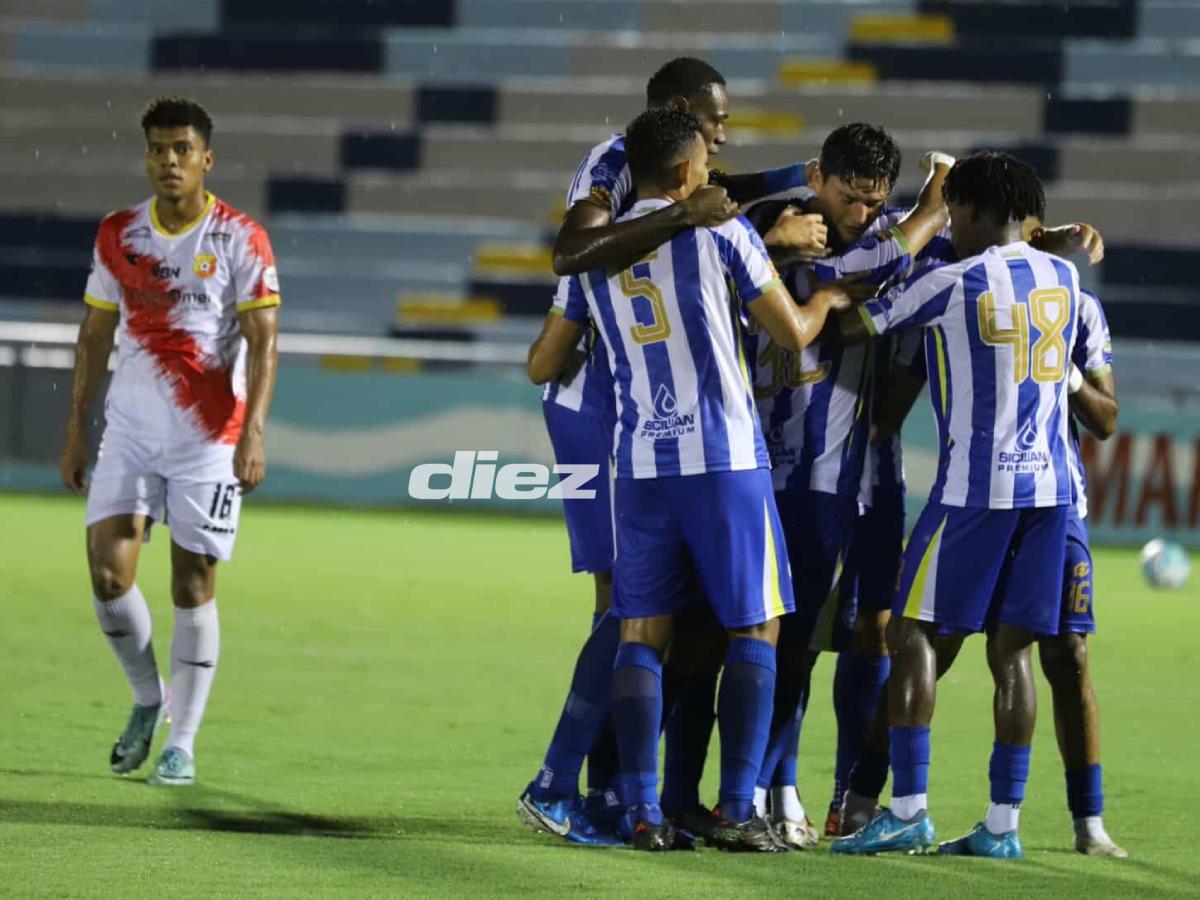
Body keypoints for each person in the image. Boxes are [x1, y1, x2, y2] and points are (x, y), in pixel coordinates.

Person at [517, 56, 822, 845]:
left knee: (639, 622)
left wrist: (786, 181)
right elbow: (568, 257)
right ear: (685, 128)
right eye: (715, 128)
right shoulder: (616, 178)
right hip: (662, 431)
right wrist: (762, 245)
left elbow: (555, 327)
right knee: (687, 618)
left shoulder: (645, 203)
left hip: (637, 442)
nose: (723, 143)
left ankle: (634, 801)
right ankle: (570, 785)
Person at [830, 151, 1079, 859]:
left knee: (909, 637)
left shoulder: (953, 282)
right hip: (1052, 490)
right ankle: (1003, 826)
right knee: (1014, 654)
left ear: (965, 212)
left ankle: (907, 809)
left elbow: (859, 326)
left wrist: (821, 290)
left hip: (977, 489)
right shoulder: (1062, 277)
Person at [59, 97, 281, 787]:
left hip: (208, 438)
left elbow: (264, 342)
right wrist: (75, 427)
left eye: (182, 149)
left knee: (192, 583)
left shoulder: (240, 237)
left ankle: (181, 742)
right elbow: (94, 334)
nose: (169, 161)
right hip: (128, 430)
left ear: (206, 158)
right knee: (106, 577)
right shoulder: (118, 234)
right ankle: (148, 698)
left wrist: (252, 434)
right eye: (158, 149)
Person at [742, 124, 952, 848]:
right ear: (820, 178)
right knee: (791, 639)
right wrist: (933, 198)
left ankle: (847, 800)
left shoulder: (891, 236)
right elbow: (885, 251)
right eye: (849, 197)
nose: (861, 213)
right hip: (792, 472)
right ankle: (774, 788)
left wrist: (1037, 237)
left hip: (875, 478)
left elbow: (977, 248)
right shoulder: (779, 229)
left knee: (873, 633)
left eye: (873, 201)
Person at [1038, 287, 1126, 857]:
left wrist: (1064, 373)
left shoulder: (1077, 306)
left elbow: (1107, 419)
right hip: (974, 501)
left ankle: (1089, 822)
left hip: (1058, 504)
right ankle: (879, 798)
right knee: (930, 643)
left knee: (1069, 654)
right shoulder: (964, 284)